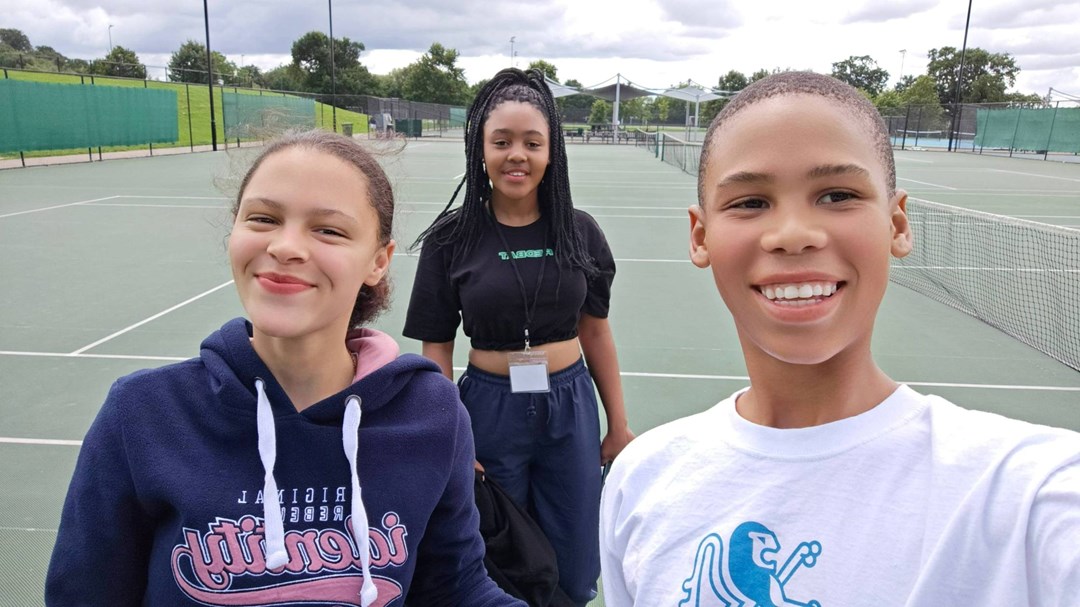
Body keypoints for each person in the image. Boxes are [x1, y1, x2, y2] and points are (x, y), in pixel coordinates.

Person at [599, 72, 1080, 606]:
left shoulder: (1031, 492)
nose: (793, 234)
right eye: (750, 202)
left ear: (897, 224)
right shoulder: (644, 478)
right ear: (700, 235)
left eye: (837, 194)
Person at [46, 130, 525, 607]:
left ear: (378, 262)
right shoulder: (143, 413)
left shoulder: (433, 412)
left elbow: (455, 587)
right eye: (263, 218)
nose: (286, 246)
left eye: (329, 229)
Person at [404, 67, 634, 605]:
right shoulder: (450, 240)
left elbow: (596, 330)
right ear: (479, 149)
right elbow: (436, 346)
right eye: (501, 141)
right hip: (488, 410)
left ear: (552, 151)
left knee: (576, 564)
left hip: (570, 405)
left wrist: (618, 424)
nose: (517, 155)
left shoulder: (580, 233)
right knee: (498, 558)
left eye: (532, 142)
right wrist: (450, 435)